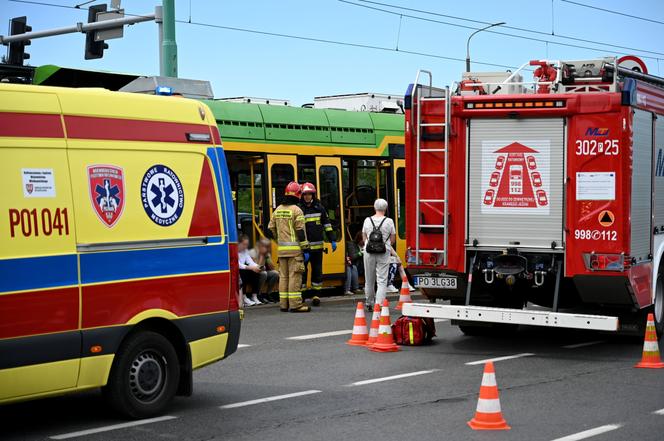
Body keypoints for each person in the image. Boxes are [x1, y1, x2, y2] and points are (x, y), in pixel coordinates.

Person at [268, 181, 311, 312]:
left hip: (282, 251)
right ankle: (295, 305)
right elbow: (300, 231)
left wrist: (279, 239)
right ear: (298, 195)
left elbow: (270, 229)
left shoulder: (278, 210)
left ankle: (283, 305)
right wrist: (305, 248)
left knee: (284, 277)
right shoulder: (297, 210)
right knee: (295, 277)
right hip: (295, 252)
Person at [298, 182, 337, 304]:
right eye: (305, 194)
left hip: (318, 247)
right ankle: (302, 296)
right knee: (303, 273)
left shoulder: (319, 208)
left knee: (317, 271)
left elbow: (327, 225)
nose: (307, 197)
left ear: (313, 195)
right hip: (304, 248)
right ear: (302, 195)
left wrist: (332, 239)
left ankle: (316, 295)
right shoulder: (299, 209)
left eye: (309, 194)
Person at [362, 198, 396, 308]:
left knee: (369, 279)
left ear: (374, 207)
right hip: (383, 251)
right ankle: (379, 304)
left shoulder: (367, 220)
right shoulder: (389, 221)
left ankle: (369, 302)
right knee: (382, 279)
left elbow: (364, 237)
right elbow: (393, 240)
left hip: (369, 252)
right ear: (385, 208)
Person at [249, 237, 280, 303]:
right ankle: (258, 294)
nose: (267, 248)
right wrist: (261, 256)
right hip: (253, 273)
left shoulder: (266, 253)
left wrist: (267, 258)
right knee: (264, 274)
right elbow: (256, 268)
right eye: (265, 246)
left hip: (262, 272)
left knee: (275, 273)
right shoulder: (253, 252)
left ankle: (268, 294)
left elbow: (272, 268)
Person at [237, 234, 264, 306]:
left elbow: (250, 262)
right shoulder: (234, 250)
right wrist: (251, 267)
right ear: (239, 243)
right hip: (236, 271)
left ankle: (254, 296)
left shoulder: (245, 251)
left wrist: (258, 266)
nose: (246, 246)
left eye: (247, 244)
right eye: (244, 244)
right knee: (244, 272)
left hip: (243, 270)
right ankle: (244, 297)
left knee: (256, 272)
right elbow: (238, 265)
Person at [344, 231, 363, 296]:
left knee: (353, 267)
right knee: (350, 268)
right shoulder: (351, 244)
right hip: (355, 264)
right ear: (359, 239)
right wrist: (360, 253)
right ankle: (348, 290)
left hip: (361, 265)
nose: (364, 242)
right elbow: (352, 257)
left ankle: (355, 288)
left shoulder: (366, 245)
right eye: (363, 240)